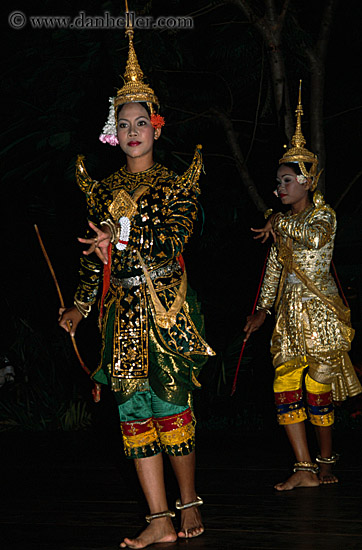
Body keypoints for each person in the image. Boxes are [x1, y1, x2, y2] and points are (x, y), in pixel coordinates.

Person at [59, 23, 214, 549]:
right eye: (123, 123)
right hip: (122, 313)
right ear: (113, 132)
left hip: (167, 307)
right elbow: (92, 258)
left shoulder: (176, 185)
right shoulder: (101, 191)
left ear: (157, 127)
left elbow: (171, 241)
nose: (132, 131)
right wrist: (80, 307)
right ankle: (158, 517)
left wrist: (119, 240)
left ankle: (188, 500)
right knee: (133, 411)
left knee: (171, 404)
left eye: (141, 122)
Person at [243, 84, 362, 491]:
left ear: (309, 182)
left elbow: (311, 240)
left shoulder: (324, 218)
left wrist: (277, 222)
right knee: (284, 387)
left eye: (288, 180)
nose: (280, 188)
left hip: (320, 314)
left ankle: (327, 460)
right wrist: (261, 309)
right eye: (278, 181)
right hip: (288, 317)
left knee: (317, 390)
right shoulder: (281, 224)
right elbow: (275, 268)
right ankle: (304, 467)